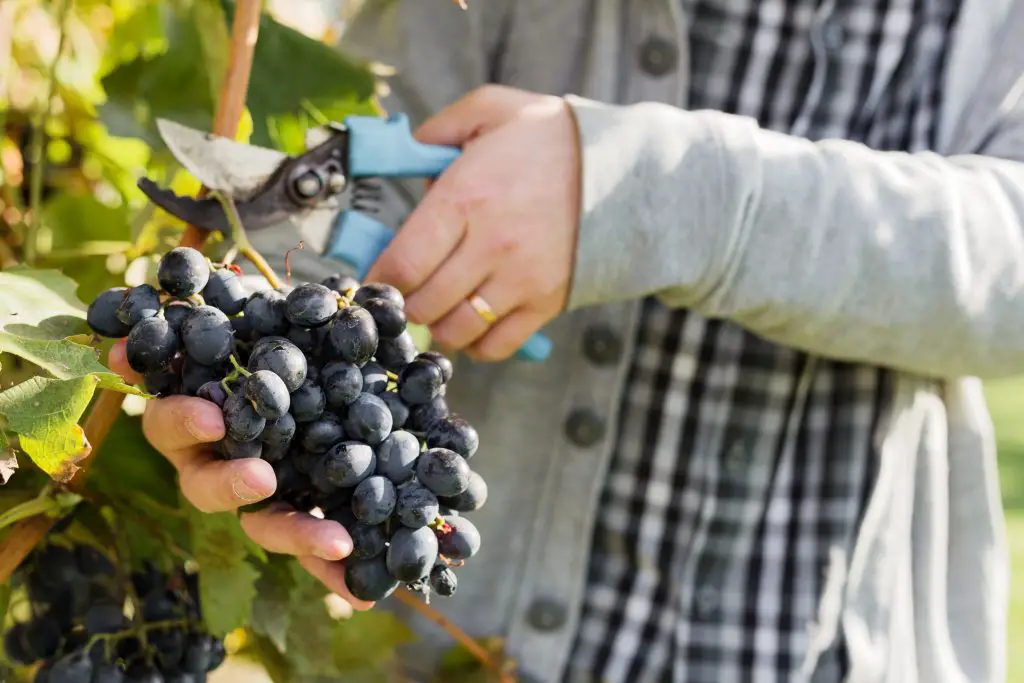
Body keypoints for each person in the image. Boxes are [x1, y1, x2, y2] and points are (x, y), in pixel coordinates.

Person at [108, 0, 1024, 681]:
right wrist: (242, 376)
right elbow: (353, 213)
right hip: (470, 655)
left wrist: (659, 192)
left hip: (840, 648)